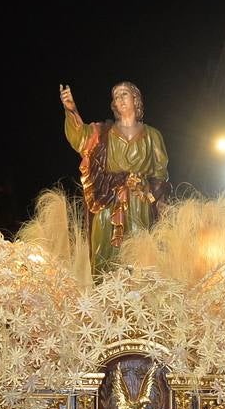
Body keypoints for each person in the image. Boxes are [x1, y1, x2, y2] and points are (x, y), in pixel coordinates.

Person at [60, 82, 170, 279]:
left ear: (136, 99)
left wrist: (148, 193)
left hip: (139, 203)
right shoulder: (101, 133)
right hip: (107, 200)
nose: (119, 99)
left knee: (138, 255)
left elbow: (161, 174)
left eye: (124, 94)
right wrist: (72, 110)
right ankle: (105, 298)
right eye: (116, 96)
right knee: (104, 252)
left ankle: (137, 299)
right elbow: (80, 138)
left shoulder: (153, 135)